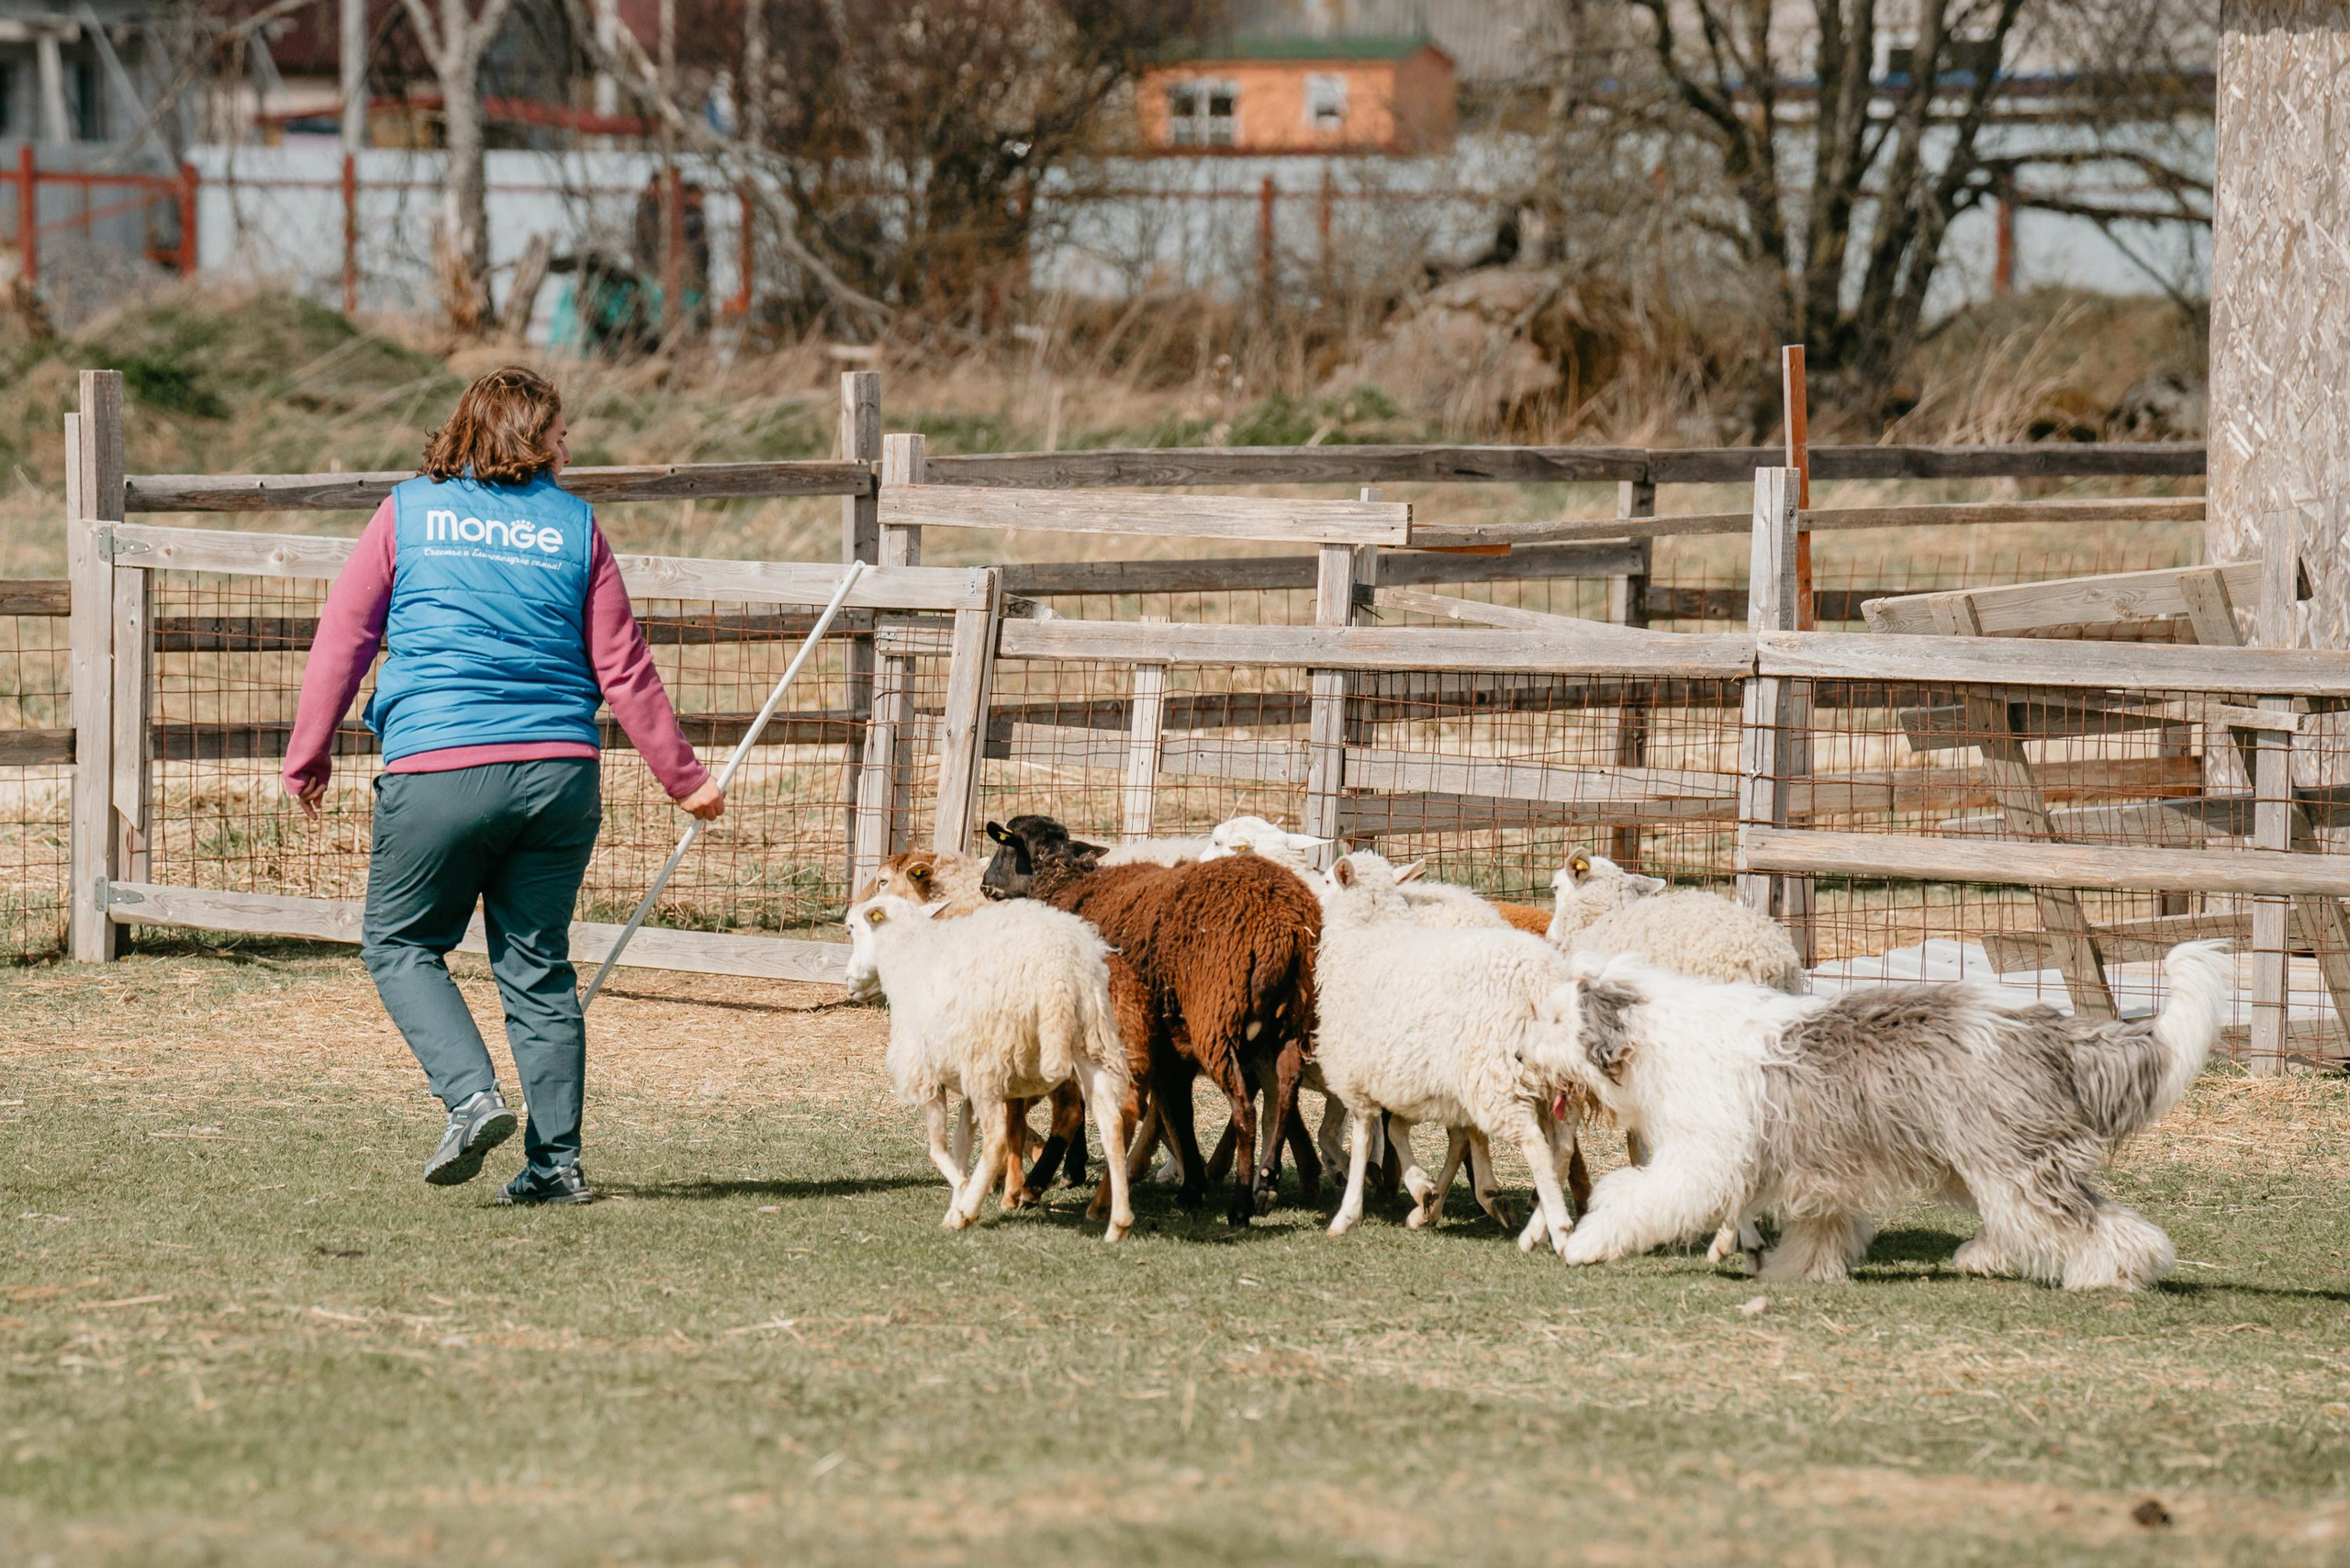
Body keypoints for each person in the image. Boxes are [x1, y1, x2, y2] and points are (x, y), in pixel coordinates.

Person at [283, 367, 722, 1204]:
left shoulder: (408, 512)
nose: (569, 445)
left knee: (401, 944)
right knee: (537, 967)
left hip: (440, 766)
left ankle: (470, 1094)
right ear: (526, 436)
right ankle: (556, 1165)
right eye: (559, 432)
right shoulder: (576, 526)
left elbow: (343, 637)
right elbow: (623, 668)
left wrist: (309, 753)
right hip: (561, 776)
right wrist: (684, 779)